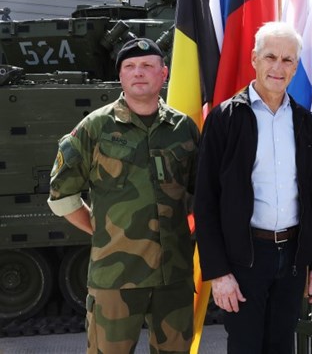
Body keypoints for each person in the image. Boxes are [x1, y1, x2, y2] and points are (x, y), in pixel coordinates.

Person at [47, 38, 199, 353]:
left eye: (147, 66)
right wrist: (99, 229)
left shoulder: (183, 128)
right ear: (121, 77)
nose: (138, 73)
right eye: (129, 66)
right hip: (114, 280)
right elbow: (62, 194)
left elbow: (201, 194)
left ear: (164, 73)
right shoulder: (95, 128)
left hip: (174, 275)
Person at [194, 21, 312, 354]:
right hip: (244, 260)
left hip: (293, 257)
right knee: (245, 347)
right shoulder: (225, 119)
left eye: (287, 60)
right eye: (271, 57)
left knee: (282, 345)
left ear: (296, 67)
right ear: (255, 58)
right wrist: (219, 272)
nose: (278, 67)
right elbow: (205, 201)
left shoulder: (305, 123)